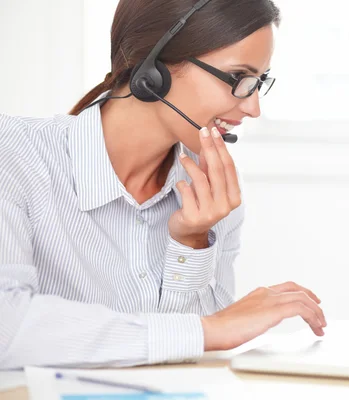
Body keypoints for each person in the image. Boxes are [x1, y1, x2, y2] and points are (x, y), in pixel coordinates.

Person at [0, 0, 326, 370]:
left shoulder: (211, 196)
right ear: (153, 70)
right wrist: (207, 331)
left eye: (259, 83)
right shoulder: (11, 155)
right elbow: (6, 329)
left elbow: (190, 364)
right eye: (239, 79)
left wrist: (193, 242)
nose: (253, 108)